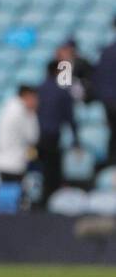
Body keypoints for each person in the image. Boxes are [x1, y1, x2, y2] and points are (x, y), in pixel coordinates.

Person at [37, 60, 77, 205]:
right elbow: (69, 116)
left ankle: (41, 200)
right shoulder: (61, 90)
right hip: (53, 136)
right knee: (53, 170)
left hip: (37, 137)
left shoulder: (39, 89)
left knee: (40, 170)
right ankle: (51, 200)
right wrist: (76, 138)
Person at [0, 85, 39, 210]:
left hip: (2, 160)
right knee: (15, 197)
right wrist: (32, 114)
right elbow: (32, 136)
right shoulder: (22, 112)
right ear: (27, 96)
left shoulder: (7, 108)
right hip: (15, 162)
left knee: (5, 194)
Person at [93, 18, 116, 170]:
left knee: (113, 135)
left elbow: (97, 81)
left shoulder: (105, 52)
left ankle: (111, 165)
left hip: (108, 102)